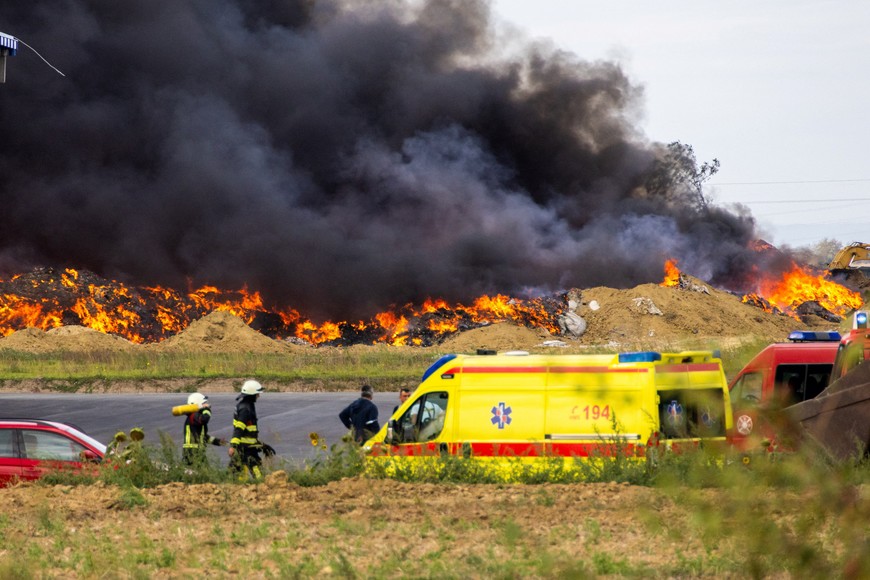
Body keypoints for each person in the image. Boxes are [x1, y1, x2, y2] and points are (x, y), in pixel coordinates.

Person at [228, 379, 275, 480]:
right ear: (251, 395)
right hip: (245, 449)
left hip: (246, 447)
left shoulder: (247, 405)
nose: (258, 396)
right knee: (258, 475)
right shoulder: (245, 408)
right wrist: (233, 446)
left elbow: (249, 431)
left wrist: (261, 445)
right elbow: (239, 429)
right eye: (257, 394)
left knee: (235, 477)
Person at [181, 392, 226, 465]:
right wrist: (207, 409)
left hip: (196, 452)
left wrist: (218, 442)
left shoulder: (195, 417)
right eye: (204, 403)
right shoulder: (193, 416)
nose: (206, 404)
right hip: (192, 452)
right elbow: (205, 419)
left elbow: (203, 437)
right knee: (201, 474)